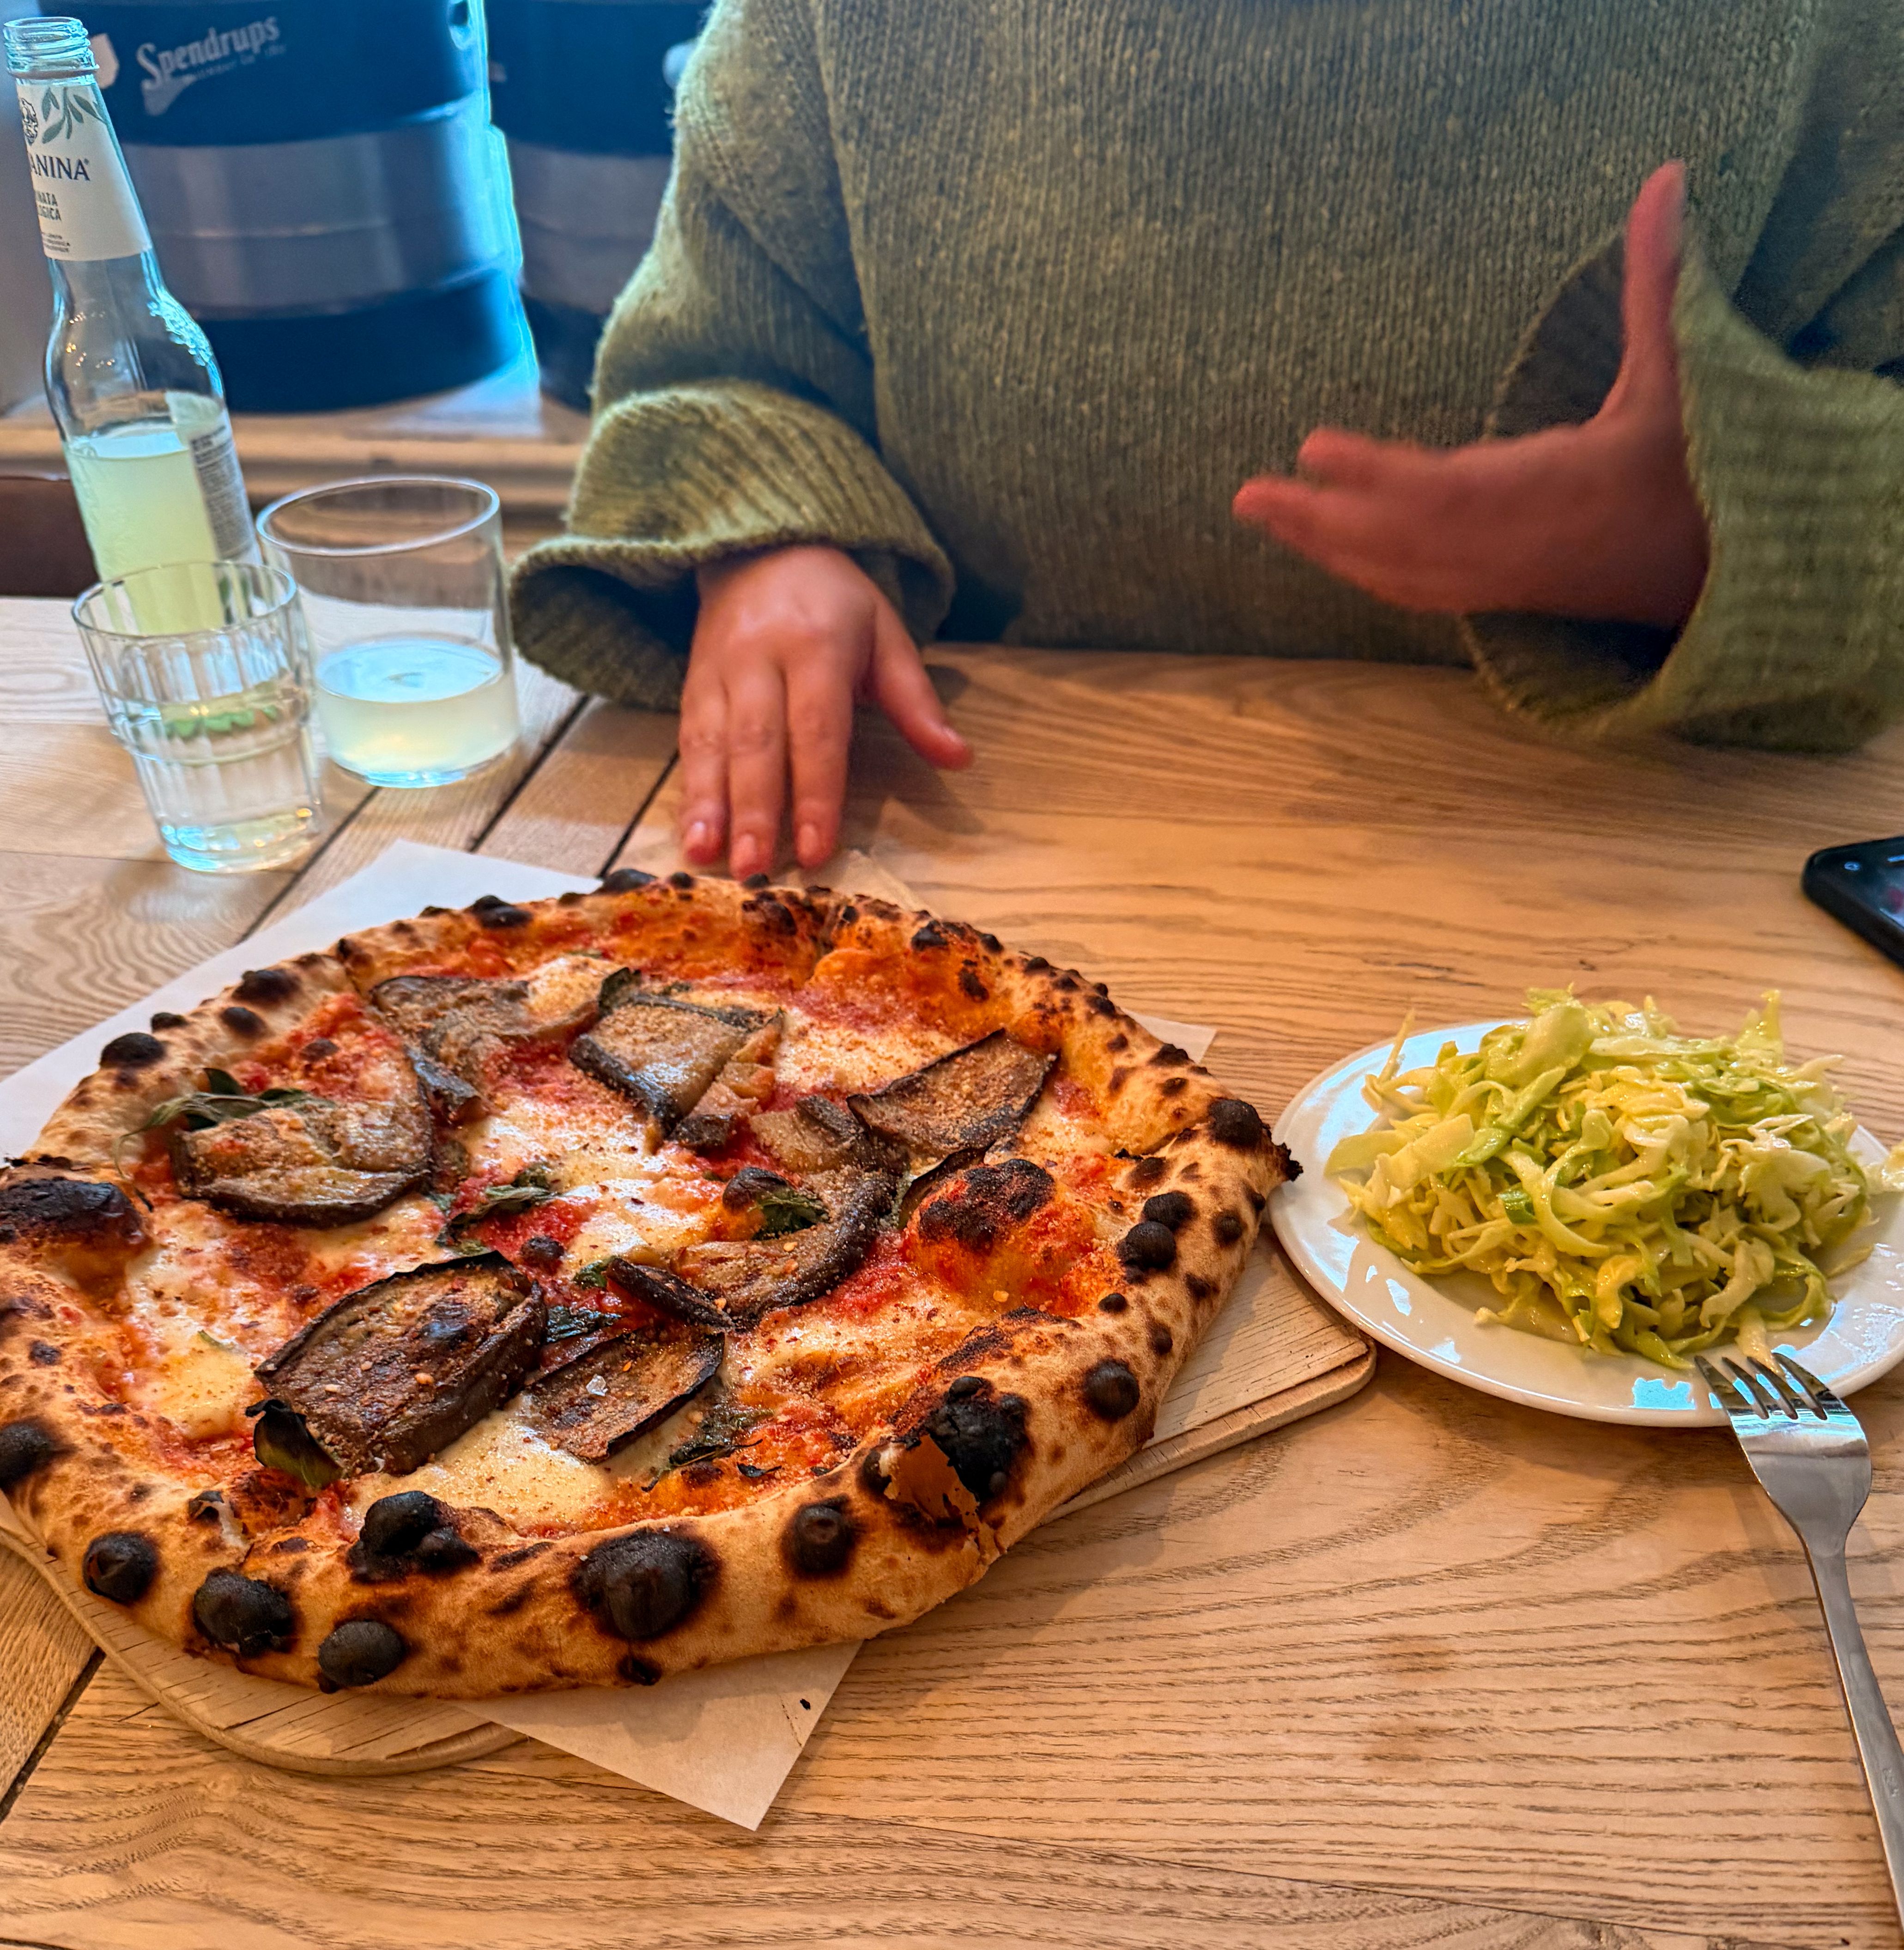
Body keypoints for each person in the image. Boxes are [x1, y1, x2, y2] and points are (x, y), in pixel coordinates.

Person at [511, 0, 1904, 878]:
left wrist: (1727, 530)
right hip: (971, 851)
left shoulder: (1838, 44)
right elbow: (709, 371)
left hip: (1644, 887)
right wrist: (771, 537)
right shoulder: (837, 29)